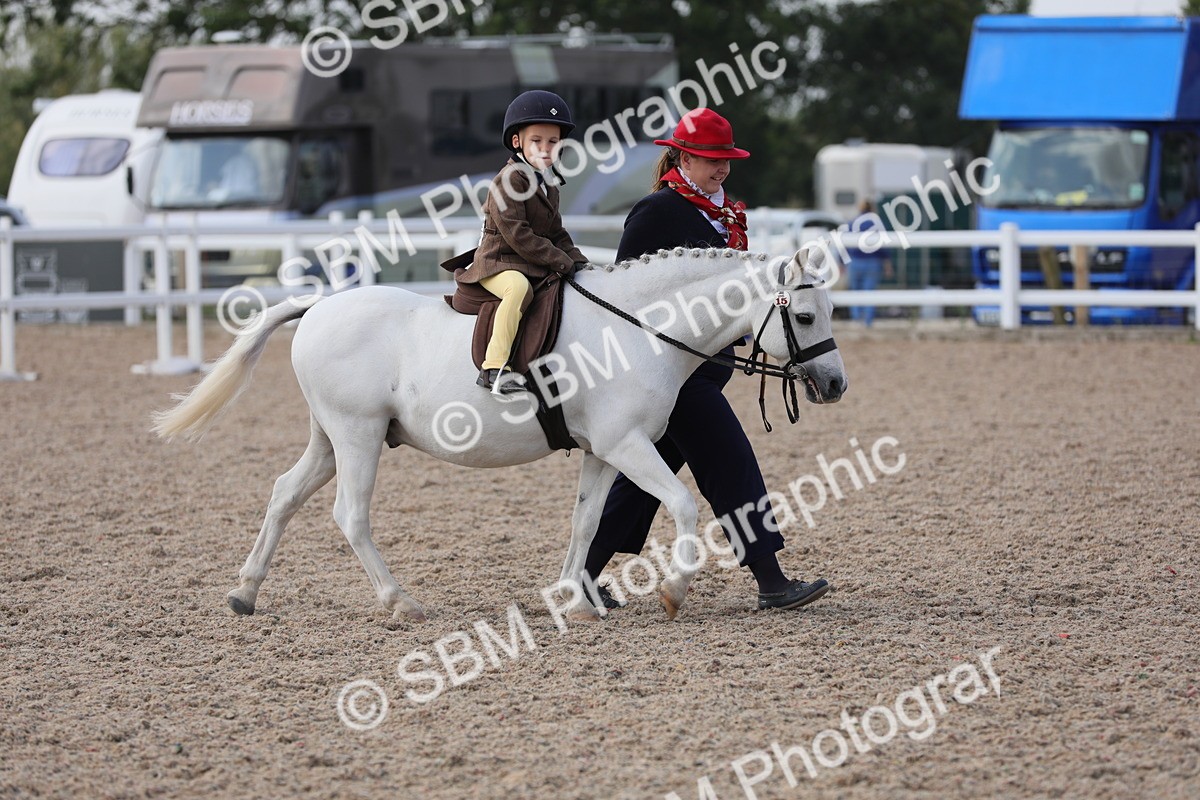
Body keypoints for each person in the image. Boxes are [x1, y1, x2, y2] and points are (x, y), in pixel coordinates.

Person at [582, 107, 831, 612]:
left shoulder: (724, 213)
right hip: (665, 374)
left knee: (639, 480)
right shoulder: (656, 212)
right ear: (683, 157)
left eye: (726, 159)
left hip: (706, 368)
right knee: (730, 462)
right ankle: (772, 581)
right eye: (710, 158)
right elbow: (626, 294)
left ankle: (581, 576)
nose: (720, 168)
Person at [459, 90, 587, 394]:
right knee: (517, 288)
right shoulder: (508, 180)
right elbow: (518, 235)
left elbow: (556, 233)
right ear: (517, 141)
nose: (546, 149)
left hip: (526, 263)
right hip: (497, 264)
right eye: (537, 141)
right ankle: (494, 368)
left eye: (553, 142)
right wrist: (559, 261)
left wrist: (581, 263)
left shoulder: (548, 184)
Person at [846, 200, 892, 326]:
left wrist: (841, 262)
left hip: (855, 261)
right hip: (873, 262)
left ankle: (856, 319)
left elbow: (844, 243)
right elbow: (884, 245)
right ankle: (867, 321)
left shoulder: (853, 222)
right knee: (869, 291)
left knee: (855, 291)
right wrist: (887, 263)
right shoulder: (877, 223)